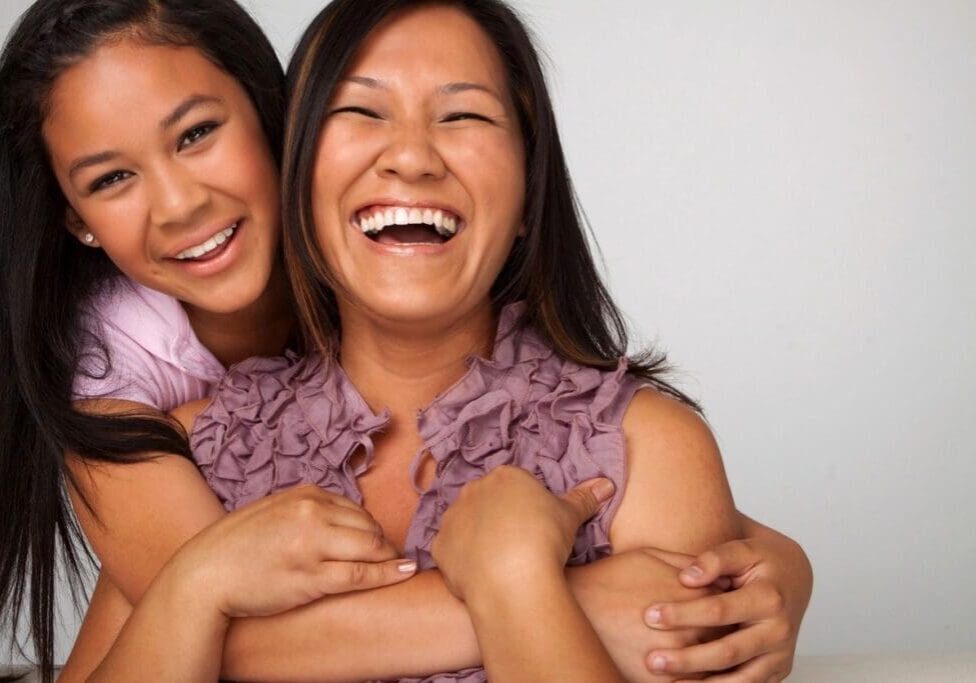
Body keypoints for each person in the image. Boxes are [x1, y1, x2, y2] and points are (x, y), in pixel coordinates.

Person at [0, 0, 812, 681]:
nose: (412, 157)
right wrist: (200, 584)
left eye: (462, 115)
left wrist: (779, 557)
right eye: (361, 110)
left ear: (530, 186)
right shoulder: (168, 432)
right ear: (305, 166)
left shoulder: (645, 448)